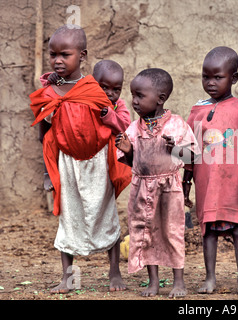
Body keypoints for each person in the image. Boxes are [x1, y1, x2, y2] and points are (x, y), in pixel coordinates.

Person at [29, 25, 131, 293]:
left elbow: (115, 123)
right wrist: (48, 171)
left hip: (98, 162)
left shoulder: (92, 89)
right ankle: (68, 277)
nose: (58, 60)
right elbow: (45, 132)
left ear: (82, 55)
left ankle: (114, 273)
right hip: (67, 164)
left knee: (105, 213)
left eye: (65, 54)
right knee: (69, 218)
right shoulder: (50, 92)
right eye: (53, 55)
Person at [115, 68, 199, 298]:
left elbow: (193, 157)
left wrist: (176, 150)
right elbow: (135, 163)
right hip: (142, 189)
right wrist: (128, 151)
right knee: (146, 233)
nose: (134, 101)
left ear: (160, 99)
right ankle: (153, 282)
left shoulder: (177, 125)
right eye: (133, 95)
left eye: (140, 95)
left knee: (172, 233)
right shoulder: (134, 128)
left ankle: (178, 281)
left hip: (169, 190)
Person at [183, 46, 238, 294]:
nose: (210, 83)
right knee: (208, 231)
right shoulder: (197, 111)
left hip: (234, 184)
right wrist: (186, 184)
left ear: (233, 78)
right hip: (207, 183)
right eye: (206, 76)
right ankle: (210, 278)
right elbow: (188, 151)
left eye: (218, 77)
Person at [39, 59, 131, 191]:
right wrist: (51, 79)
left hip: (102, 153)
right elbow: (64, 91)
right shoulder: (84, 93)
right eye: (104, 87)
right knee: (49, 139)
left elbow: (125, 126)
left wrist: (110, 115)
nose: (110, 93)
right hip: (77, 144)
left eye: (116, 90)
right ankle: (49, 173)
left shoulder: (118, 105)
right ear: (92, 83)